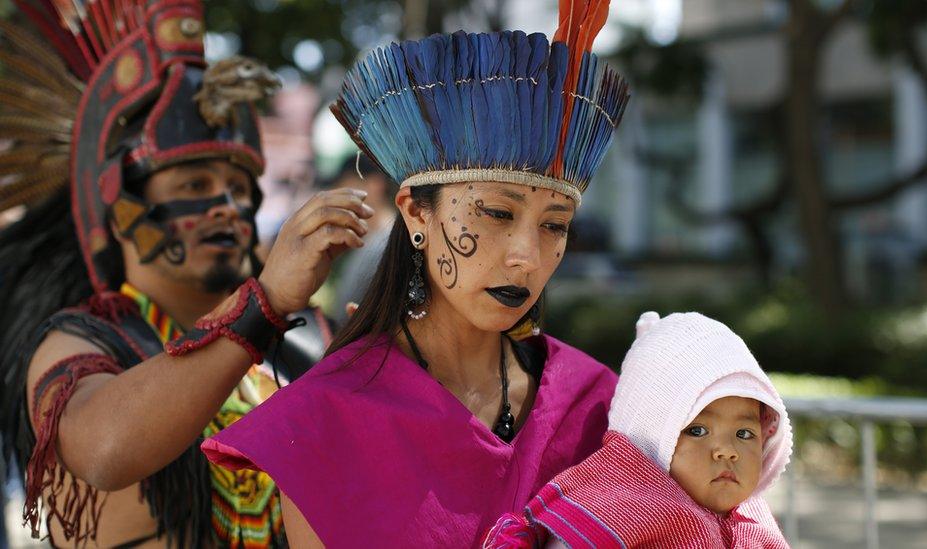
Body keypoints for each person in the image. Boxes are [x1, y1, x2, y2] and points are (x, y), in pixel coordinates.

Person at [201, 1, 631, 546]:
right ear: (415, 212)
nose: (527, 255)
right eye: (497, 213)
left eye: (555, 225)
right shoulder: (324, 418)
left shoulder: (597, 404)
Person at [0, 2, 368, 546]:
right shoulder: (79, 340)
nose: (224, 205)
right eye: (194, 186)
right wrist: (262, 302)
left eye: (238, 189)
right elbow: (103, 450)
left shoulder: (309, 339)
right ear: (120, 211)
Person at [484, 312, 793, 548]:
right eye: (697, 430)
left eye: (744, 434)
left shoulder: (755, 522)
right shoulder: (614, 514)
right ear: (651, 438)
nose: (727, 450)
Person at [320, 155, 397, 321]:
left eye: (346, 188)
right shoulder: (375, 242)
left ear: (375, 186)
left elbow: (342, 317)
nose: (339, 204)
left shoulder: (383, 245)